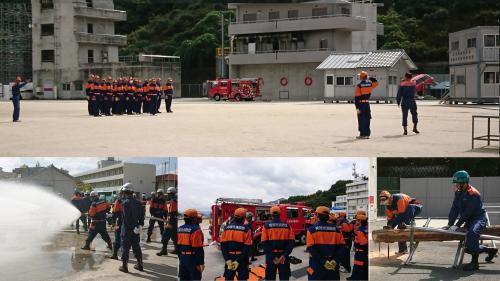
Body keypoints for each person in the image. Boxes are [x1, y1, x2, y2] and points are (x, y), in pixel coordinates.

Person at [443, 170, 498, 271]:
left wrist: (458, 224)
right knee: (468, 246)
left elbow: (467, 212)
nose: (456, 186)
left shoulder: (473, 194)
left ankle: (474, 263)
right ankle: (489, 250)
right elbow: (454, 209)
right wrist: (450, 224)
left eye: (457, 183)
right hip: (469, 219)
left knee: (472, 233)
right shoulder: (458, 193)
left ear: (464, 183)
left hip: (478, 218)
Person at [306, 206, 345, 280]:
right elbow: (342, 247)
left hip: (317, 264)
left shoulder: (311, 230)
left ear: (317, 215)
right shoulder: (337, 230)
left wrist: (324, 262)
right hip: (333, 264)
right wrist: (335, 260)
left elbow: (311, 248)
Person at [261, 206, 295, 280]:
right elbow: (291, 243)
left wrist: (273, 257)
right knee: (284, 278)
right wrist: (284, 255)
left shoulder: (266, 226)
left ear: (271, 214)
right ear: (280, 214)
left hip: (271, 258)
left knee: (270, 278)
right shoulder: (288, 226)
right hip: (284, 257)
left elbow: (264, 243)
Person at [119, 183, 145, 273]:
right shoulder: (139, 203)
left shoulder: (125, 203)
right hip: (136, 228)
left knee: (125, 247)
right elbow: (142, 215)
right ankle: (140, 264)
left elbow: (126, 218)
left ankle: (124, 266)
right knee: (136, 246)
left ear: (124, 192)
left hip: (127, 228)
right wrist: (139, 225)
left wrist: (129, 227)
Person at [221, 208, 253, 280]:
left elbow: (223, 246)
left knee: (229, 278)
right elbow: (247, 248)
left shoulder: (226, 228)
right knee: (242, 278)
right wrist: (237, 261)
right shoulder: (246, 229)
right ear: (244, 217)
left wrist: (227, 259)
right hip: (241, 259)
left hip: (230, 257)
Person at [178, 208, 205, 280]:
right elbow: (197, 248)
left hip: (182, 258)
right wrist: (201, 263)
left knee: (183, 278)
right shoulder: (195, 230)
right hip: (193, 259)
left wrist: (181, 258)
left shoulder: (179, 229)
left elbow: (178, 247)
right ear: (194, 218)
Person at [354, 71, 378, 139]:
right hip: (367, 104)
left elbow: (357, 97)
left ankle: (362, 134)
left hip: (361, 104)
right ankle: (367, 134)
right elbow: (376, 83)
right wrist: (369, 77)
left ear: (361, 77)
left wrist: (357, 107)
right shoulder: (370, 85)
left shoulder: (359, 86)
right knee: (367, 118)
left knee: (361, 119)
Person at [347, 210, 368, 281]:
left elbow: (363, 243)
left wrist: (357, 246)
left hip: (361, 250)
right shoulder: (365, 227)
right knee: (361, 265)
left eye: (358, 220)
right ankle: (355, 277)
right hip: (362, 249)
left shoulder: (361, 229)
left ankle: (356, 277)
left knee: (359, 265)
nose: (356, 221)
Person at [158, 187, 178, 256]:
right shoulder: (176, 200)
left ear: (171, 194)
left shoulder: (173, 201)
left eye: (168, 194)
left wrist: (169, 222)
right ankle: (177, 249)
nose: (168, 196)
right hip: (175, 222)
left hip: (171, 222)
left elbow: (172, 213)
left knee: (165, 236)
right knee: (174, 236)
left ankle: (164, 250)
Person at [109, 189, 124, 260]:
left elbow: (114, 213)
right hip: (130, 224)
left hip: (120, 223)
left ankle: (115, 254)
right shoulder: (135, 201)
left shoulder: (118, 201)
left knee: (117, 238)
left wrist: (113, 222)